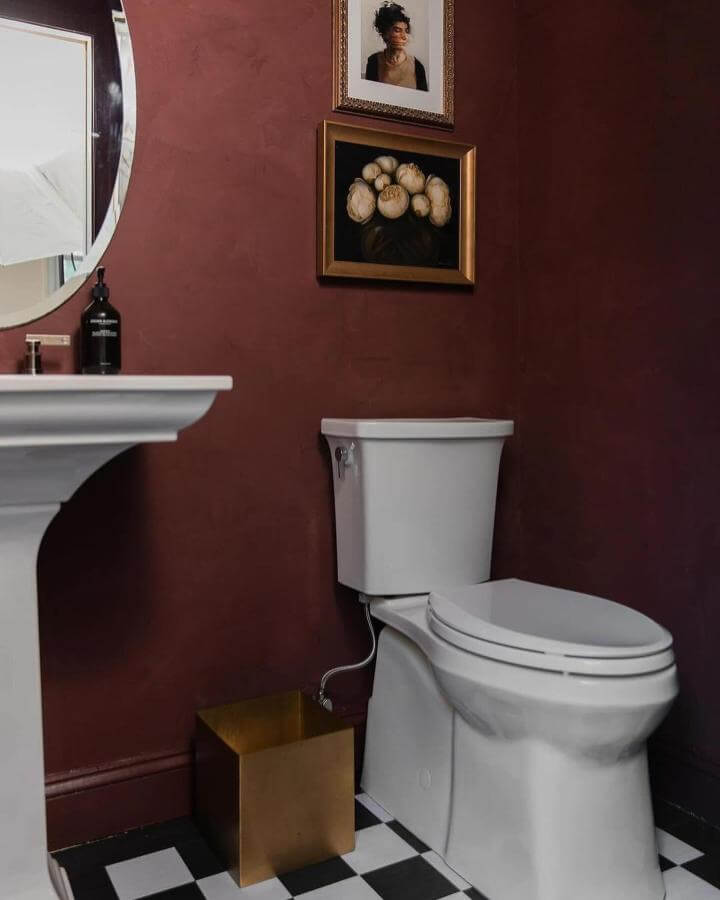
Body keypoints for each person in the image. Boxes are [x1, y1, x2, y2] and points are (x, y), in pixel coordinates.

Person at [365, 2, 428, 92]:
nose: (404, 36)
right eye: (397, 30)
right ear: (385, 33)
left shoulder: (417, 66)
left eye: (406, 31)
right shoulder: (374, 62)